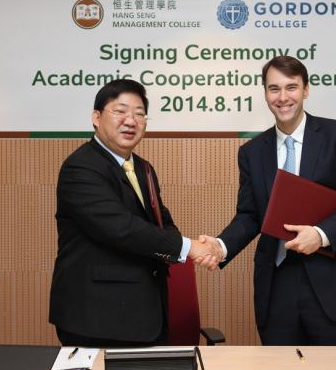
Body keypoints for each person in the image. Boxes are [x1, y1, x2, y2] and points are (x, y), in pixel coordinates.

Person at [197, 56, 336, 345]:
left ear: (306, 90)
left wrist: (321, 235)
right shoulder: (253, 152)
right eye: (274, 89)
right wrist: (221, 247)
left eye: (291, 87)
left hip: (334, 285)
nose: (283, 97)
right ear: (265, 94)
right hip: (277, 286)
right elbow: (250, 215)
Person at [49, 78, 217, 347]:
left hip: (145, 314)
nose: (131, 120)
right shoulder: (80, 168)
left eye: (139, 114)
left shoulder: (143, 168)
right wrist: (190, 248)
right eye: (120, 111)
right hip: (97, 317)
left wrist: (186, 246)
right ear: (96, 117)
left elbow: (162, 221)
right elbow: (121, 228)